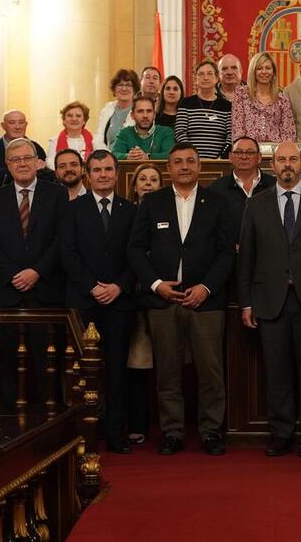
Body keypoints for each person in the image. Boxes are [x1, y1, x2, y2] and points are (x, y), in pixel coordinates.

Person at [127, 143, 235, 456]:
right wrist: (156, 284)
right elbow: (135, 249)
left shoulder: (217, 201)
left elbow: (227, 252)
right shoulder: (152, 202)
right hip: (163, 302)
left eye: (190, 161)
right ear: (169, 168)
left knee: (210, 371)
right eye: (178, 162)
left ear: (200, 167)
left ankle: (211, 431)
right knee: (168, 372)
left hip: (206, 301)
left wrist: (208, 287)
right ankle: (172, 432)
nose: (184, 166)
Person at [238, 142, 301, 458]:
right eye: (281, 159)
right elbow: (247, 259)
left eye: (293, 159)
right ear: (272, 164)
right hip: (270, 301)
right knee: (277, 371)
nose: (287, 165)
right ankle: (280, 433)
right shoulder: (256, 204)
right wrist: (246, 302)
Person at [0, 138, 66, 414]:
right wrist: (16, 274)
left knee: (47, 367)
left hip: (45, 292)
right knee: (6, 365)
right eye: (15, 159)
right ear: (7, 165)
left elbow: (61, 240)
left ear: (38, 161)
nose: (22, 164)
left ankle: (49, 425)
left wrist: (37, 271)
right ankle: (6, 423)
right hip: (6, 292)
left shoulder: (57, 194)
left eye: (27, 158)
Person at [61, 150, 138, 453]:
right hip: (84, 301)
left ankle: (116, 433)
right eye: (97, 170)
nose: (103, 174)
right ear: (87, 175)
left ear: (116, 173)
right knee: (84, 372)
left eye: (108, 169)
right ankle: (85, 431)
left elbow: (138, 255)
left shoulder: (130, 210)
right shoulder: (72, 209)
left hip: (119, 303)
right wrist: (92, 287)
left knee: (117, 371)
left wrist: (119, 286)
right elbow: (67, 254)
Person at [125, 163, 162, 445]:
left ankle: (167, 425)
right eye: (143, 179)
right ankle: (137, 423)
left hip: (162, 296)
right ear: (134, 185)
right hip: (131, 297)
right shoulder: (126, 213)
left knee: (167, 365)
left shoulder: (167, 211)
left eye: (153, 179)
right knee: (135, 366)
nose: (148, 183)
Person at [208, 136, 276, 242]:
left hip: (268, 254)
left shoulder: (274, 185)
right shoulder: (216, 189)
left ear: (259, 157)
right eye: (238, 152)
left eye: (250, 153)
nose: (244, 157)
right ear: (230, 157)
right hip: (230, 254)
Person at [230, 52, 296, 143]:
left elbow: (288, 133)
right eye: (259, 68)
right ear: (253, 71)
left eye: (268, 68)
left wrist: (283, 154)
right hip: (248, 152)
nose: (264, 72)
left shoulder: (282, 99)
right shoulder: (241, 94)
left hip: (275, 152)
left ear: (273, 72)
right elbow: (237, 129)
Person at [174, 60, 232, 159]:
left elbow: (231, 135)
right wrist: (192, 155)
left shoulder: (227, 106)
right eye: (201, 74)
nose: (205, 78)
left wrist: (221, 157)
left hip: (219, 162)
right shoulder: (185, 103)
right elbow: (180, 132)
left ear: (217, 78)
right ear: (195, 79)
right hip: (191, 160)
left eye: (209, 74)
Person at [0, 110, 47, 189]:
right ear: (3, 126)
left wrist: (42, 171)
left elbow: (45, 180)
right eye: (12, 123)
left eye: (21, 122)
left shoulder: (37, 148)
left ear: (26, 125)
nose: (17, 127)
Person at [112, 95, 175, 161]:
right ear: (132, 115)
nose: (145, 116)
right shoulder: (124, 133)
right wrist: (128, 156)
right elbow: (114, 154)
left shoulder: (166, 132)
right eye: (140, 111)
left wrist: (148, 157)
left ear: (154, 115)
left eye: (149, 111)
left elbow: (171, 155)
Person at [95, 69, 139, 150]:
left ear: (134, 89)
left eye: (128, 85)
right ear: (114, 89)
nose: (124, 89)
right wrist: (106, 155)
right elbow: (98, 138)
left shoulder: (140, 110)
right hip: (107, 158)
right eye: (120, 85)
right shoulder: (107, 109)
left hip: (130, 158)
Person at [46, 101, 94, 169]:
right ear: (64, 120)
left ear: (84, 121)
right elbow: (50, 162)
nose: (74, 119)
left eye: (78, 116)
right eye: (69, 116)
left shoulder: (94, 141)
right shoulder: (54, 141)